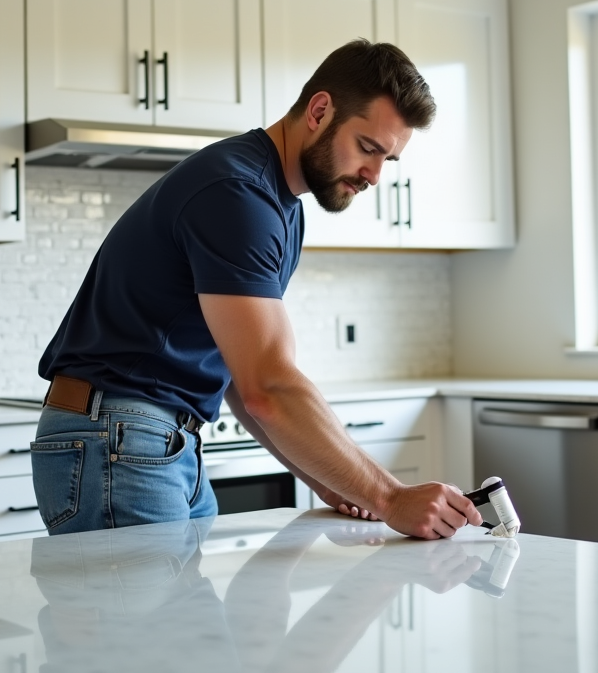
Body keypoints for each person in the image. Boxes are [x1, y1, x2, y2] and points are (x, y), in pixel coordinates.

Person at [30, 39, 482, 540]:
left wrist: (334, 484)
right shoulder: (237, 193)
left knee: (183, 621)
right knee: (149, 621)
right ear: (319, 110)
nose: (374, 176)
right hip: (119, 442)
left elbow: (243, 384)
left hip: (152, 441)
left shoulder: (279, 206)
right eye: (368, 148)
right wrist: (390, 497)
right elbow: (269, 386)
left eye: (387, 160)